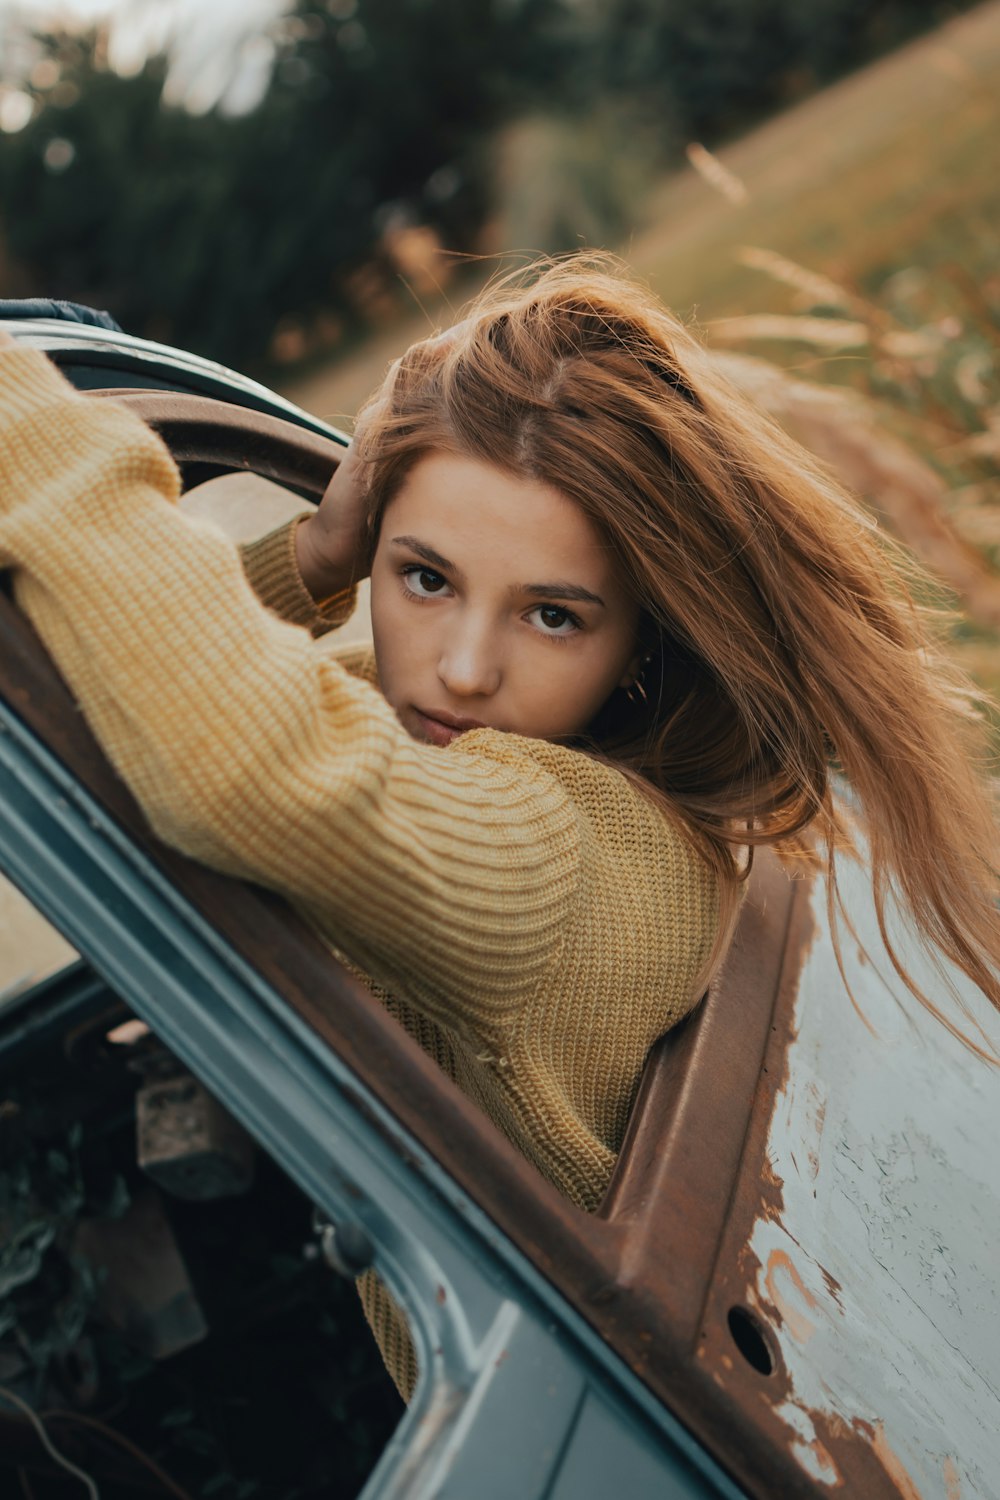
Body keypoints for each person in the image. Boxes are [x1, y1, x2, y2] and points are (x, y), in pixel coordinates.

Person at [0, 257, 997, 1401]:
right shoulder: (480, 738)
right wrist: (312, 560)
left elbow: (255, 770)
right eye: (423, 577)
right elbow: (159, 699)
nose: (462, 669)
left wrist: (18, 398)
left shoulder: (563, 856)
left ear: (639, 650)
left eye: (553, 615)